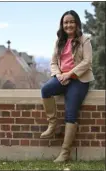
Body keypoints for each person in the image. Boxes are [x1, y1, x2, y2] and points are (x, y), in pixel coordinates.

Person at [40, 10, 94, 162]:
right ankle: (53, 125)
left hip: (79, 80)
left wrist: (69, 75)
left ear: (76, 23)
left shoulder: (85, 39)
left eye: (71, 22)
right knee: (46, 90)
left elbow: (87, 62)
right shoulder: (59, 41)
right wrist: (58, 75)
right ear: (62, 25)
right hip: (61, 77)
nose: (68, 25)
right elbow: (53, 63)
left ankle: (65, 153)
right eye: (66, 22)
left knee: (71, 113)